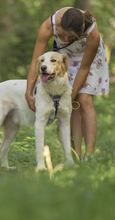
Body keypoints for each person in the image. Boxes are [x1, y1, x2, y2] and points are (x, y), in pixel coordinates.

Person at [25, 7, 109, 160]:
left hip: (88, 59)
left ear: (81, 30)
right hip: (65, 57)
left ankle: (89, 156)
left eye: (70, 37)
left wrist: (71, 94)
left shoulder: (92, 34)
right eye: (62, 34)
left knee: (83, 100)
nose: (64, 38)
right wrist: (28, 92)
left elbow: (84, 67)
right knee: (73, 105)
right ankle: (75, 155)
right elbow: (35, 61)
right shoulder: (48, 26)